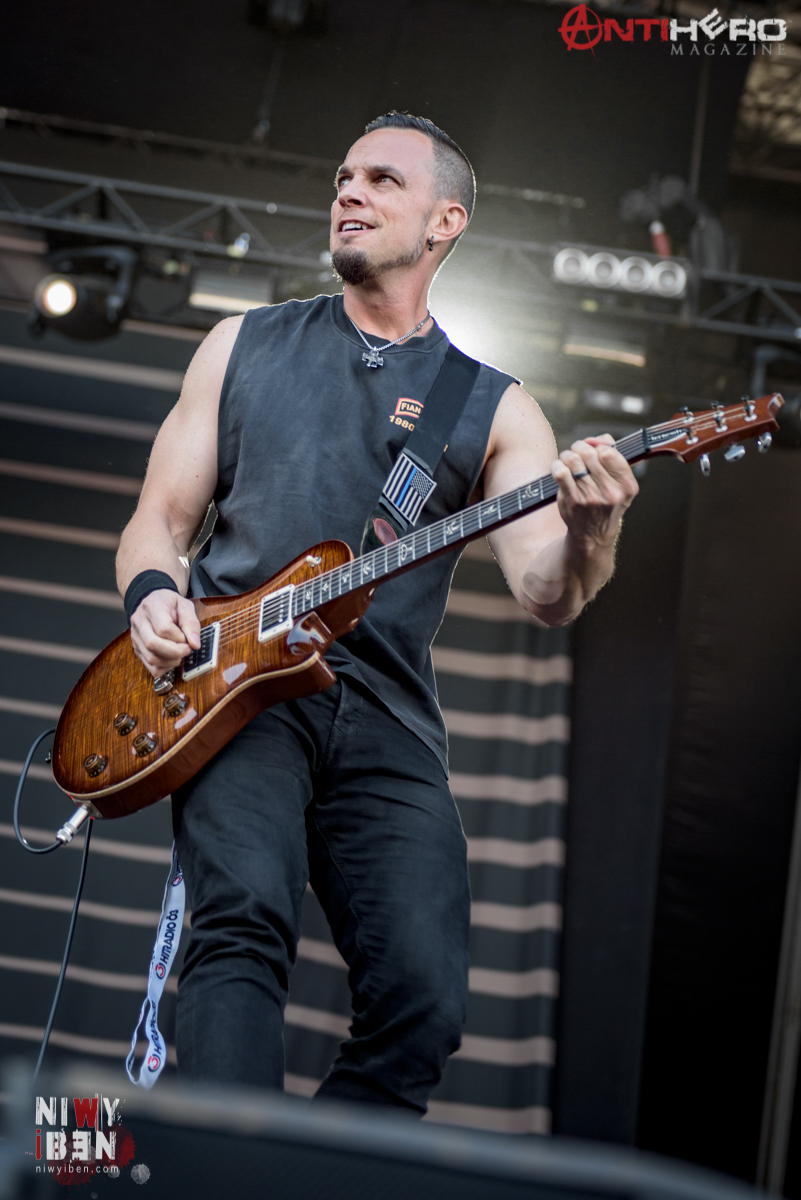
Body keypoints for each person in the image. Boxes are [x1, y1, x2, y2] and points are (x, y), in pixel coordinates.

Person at [116, 112, 639, 1112]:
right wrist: (151, 599)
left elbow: (549, 593)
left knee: (423, 1002)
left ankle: (308, 1178)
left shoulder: (495, 405)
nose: (349, 192)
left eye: (382, 180)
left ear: (445, 221)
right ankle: (232, 1172)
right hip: (241, 686)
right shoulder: (243, 344)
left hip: (388, 718)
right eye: (344, 177)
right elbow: (157, 525)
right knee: (240, 924)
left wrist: (593, 529)